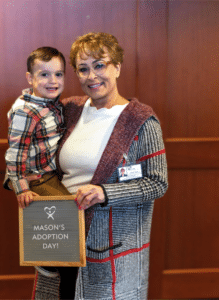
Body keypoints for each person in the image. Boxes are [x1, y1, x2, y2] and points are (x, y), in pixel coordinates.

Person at [54, 32, 168, 299]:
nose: (91, 76)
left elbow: (157, 182)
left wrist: (105, 193)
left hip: (110, 246)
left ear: (117, 67)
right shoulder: (69, 110)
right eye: (83, 69)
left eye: (100, 65)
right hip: (61, 234)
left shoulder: (141, 120)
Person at [3, 47, 78, 300]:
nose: (53, 81)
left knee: (69, 214)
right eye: (44, 75)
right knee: (69, 217)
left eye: (58, 74)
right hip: (36, 176)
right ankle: (47, 258)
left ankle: (57, 260)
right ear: (29, 78)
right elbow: (15, 153)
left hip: (50, 172)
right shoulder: (26, 111)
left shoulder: (51, 104)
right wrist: (21, 186)